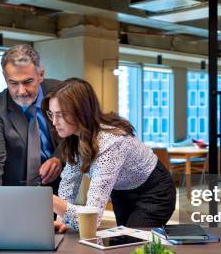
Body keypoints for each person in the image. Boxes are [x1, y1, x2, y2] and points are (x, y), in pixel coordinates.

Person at [44, 78, 176, 230]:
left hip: (154, 192)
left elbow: (92, 220)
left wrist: (49, 200)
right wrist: (62, 218)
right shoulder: (75, 138)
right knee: (125, 242)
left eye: (60, 115)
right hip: (122, 192)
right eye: (51, 114)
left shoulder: (110, 143)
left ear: (81, 112)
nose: (54, 122)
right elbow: (69, 182)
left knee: (133, 242)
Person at [0, 44, 64, 232]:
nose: (21, 91)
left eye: (28, 82)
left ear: (41, 74)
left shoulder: (62, 92)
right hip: (15, 192)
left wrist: (59, 157)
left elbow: (75, 136)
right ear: (4, 78)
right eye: (13, 83)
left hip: (59, 189)